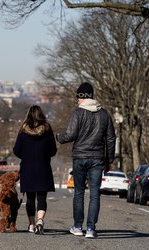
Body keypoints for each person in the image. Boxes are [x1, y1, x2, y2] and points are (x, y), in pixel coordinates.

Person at [56, 82, 116, 239]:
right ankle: (90, 229)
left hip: (80, 157)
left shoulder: (77, 113)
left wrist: (58, 137)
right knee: (95, 193)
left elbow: (70, 135)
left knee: (79, 192)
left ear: (82, 97)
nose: (76, 100)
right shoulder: (104, 114)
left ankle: (77, 226)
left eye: (77, 97)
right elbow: (111, 139)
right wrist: (109, 160)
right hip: (97, 159)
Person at [13, 105, 57, 235]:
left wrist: (26, 156)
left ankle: (31, 225)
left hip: (27, 167)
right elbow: (53, 150)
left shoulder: (23, 130)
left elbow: (16, 150)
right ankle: (40, 221)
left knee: (30, 198)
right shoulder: (47, 129)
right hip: (43, 167)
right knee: (42, 198)